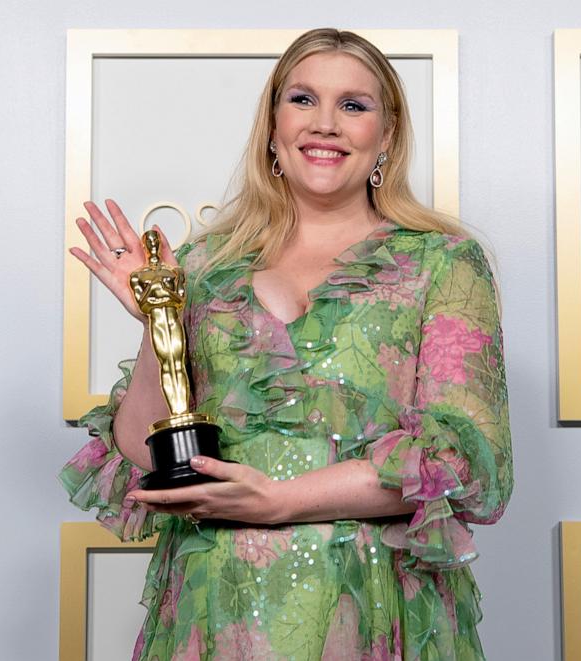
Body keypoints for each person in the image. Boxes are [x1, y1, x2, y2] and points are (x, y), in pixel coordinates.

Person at [60, 28, 513, 661]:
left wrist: (277, 502)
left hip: (368, 601)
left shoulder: (440, 263)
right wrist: (155, 322)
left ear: (386, 136)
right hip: (216, 598)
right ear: (273, 126)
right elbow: (144, 449)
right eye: (303, 99)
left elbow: (465, 463)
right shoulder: (206, 263)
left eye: (353, 106)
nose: (325, 124)